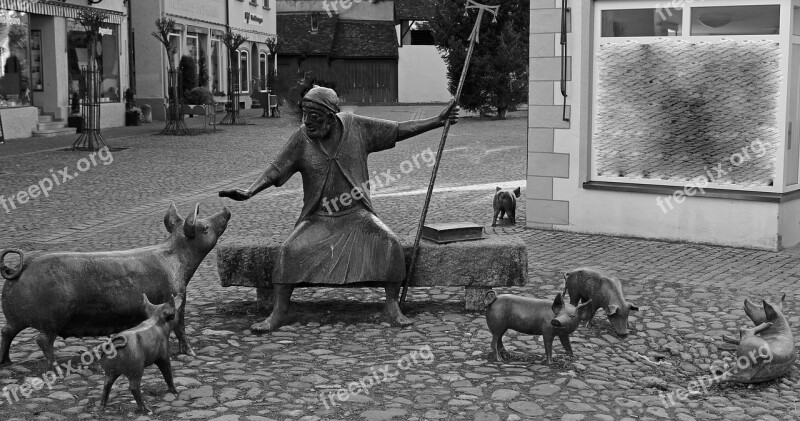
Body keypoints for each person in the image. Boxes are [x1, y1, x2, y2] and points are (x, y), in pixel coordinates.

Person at [220, 86, 459, 331]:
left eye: (314, 117)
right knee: (288, 252)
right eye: (304, 115)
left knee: (390, 244)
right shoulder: (302, 138)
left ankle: (391, 305)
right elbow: (276, 168)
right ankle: (279, 312)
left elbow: (397, 131)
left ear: (331, 118)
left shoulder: (356, 127)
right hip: (319, 219)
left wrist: (438, 121)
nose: (307, 122)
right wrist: (251, 190)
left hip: (357, 217)